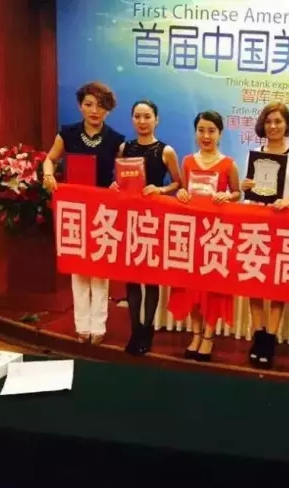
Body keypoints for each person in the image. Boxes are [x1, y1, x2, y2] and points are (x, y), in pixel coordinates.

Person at [42, 81, 124, 344]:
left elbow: (123, 173)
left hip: (103, 211)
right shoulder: (67, 134)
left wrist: (118, 184)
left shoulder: (116, 140)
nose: (94, 110)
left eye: (100, 106)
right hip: (75, 211)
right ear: (80, 106)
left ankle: (98, 327)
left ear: (108, 110)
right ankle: (82, 326)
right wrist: (48, 175)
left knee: (99, 269)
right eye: (89, 104)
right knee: (78, 269)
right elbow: (50, 159)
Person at [167, 111, 241, 362]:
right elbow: (183, 191)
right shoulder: (188, 161)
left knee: (212, 289)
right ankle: (196, 333)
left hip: (216, 236)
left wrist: (228, 196)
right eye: (201, 130)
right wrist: (181, 194)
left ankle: (208, 336)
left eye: (211, 130)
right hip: (191, 234)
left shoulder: (228, 164)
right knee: (191, 287)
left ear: (220, 133)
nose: (206, 135)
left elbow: (238, 193)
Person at [241, 102, 289, 369]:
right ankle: (258, 336)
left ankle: (270, 338)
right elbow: (249, 190)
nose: (273, 126)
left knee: (278, 285)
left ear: (287, 125)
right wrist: (245, 186)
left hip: (285, 228)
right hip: (257, 228)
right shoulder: (256, 154)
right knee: (255, 283)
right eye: (269, 121)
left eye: (278, 121)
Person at [115, 100, 181, 355]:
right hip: (128, 219)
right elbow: (119, 179)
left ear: (156, 119)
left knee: (151, 278)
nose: (142, 121)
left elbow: (178, 183)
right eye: (137, 116)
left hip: (154, 220)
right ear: (132, 119)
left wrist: (160, 189)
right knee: (131, 278)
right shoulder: (125, 148)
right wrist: (115, 185)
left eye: (147, 116)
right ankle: (134, 330)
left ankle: (147, 329)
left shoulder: (166, 151)